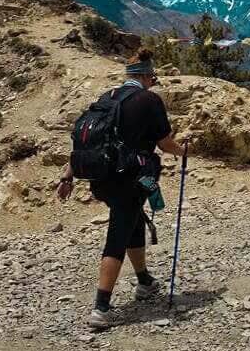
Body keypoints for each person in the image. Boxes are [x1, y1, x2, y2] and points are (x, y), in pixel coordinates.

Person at [56, 49, 188, 329]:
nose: (153, 82)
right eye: (152, 77)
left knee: (133, 221)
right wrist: (183, 151)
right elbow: (165, 144)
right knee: (118, 234)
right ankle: (100, 308)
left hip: (100, 178)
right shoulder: (149, 100)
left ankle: (144, 281)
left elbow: (86, 141)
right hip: (130, 177)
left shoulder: (107, 99)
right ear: (144, 76)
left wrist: (68, 175)